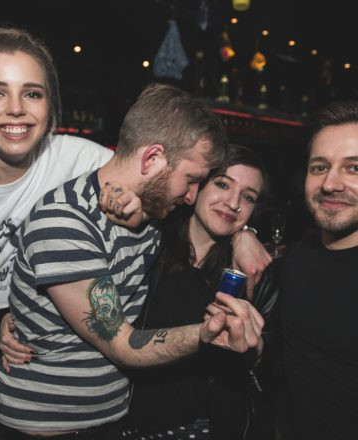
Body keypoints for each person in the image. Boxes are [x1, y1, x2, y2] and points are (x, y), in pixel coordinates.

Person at [0, 83, 266, 439]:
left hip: (112, 422)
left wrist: (245, 234)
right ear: (152, 159)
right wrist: (206, 333)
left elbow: (220, 216)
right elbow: (123, 345)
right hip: (50, 425)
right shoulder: (64, 221)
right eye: (191, 180)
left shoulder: (151, 215)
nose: (191, 196)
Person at [0, 25, 138, 440]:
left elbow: (163, 183)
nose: (16, 109)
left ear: (50, 108)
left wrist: (241, 232)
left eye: (32, 93)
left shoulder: (78, 159)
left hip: (42, 340)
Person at [116, 144, 279, 440]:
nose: (233, 203)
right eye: (223, 184)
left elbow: (273, 370)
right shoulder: (150, 242)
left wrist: (254, 350)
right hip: (131, 424)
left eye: (248, 197)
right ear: (196, 187)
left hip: (209, 428)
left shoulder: (254, 272)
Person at [278, 99, 358, 439]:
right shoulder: (294, 260)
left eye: (354, 168)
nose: (330, 184)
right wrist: (241, 234)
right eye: (320, 167)